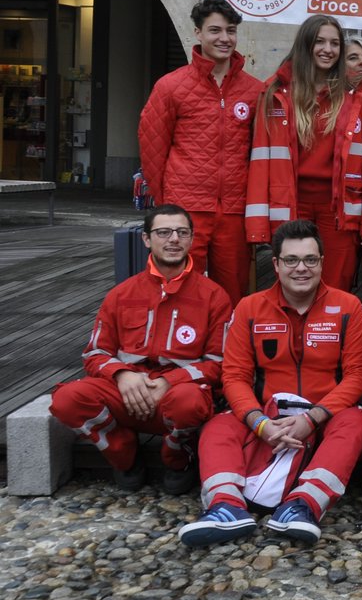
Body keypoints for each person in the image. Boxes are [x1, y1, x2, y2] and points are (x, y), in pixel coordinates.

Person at [179, 219, 362, 547]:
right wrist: (260, 424)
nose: (302, 268)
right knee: (217, 427)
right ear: (277, 265)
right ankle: (226, 508)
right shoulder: (250, 308)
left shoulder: (348, 307)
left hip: (326, 416)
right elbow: (235, 376)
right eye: (292, 260)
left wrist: (312, 419)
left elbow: (357, 376)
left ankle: (302, 507)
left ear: (322, 263)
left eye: (310, 260)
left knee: (356, 421)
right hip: (268, 416)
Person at [51, 204, 232, 493]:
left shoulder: (214, 296)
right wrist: (123, 375)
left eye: (181, 232)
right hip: (127, 391)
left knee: (189, 402)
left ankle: (177, 459)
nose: (173, 239)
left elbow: (219, 362)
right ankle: (124, 456)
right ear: (146, 239)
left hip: (176, 396)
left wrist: (168, 381)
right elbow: (94, 353)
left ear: (191, 239)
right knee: (67, 399)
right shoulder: (121, 294)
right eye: (163, 232)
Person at [137, 0, 264, 303]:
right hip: (186, 205)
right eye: (215, 31)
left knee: (233, 289)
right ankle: (177, 346)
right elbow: (153, 147)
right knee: (178, 284)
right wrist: (167, 205)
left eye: (231, 31)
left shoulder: (255, 90)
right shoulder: (170, 86)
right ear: (197, 33)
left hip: (235, 207)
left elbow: (261, 152)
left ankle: (229, 349)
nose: (224, 39)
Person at [245, 14, 362, 292]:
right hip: (291, 205)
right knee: (295, 285)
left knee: (337, 288)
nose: (328, 49)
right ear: (305, 44)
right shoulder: (275, 94)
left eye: (334, 43)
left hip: (339, 211)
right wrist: (258, 225)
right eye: (319, 41)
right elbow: (260, 163)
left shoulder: (357, 98)